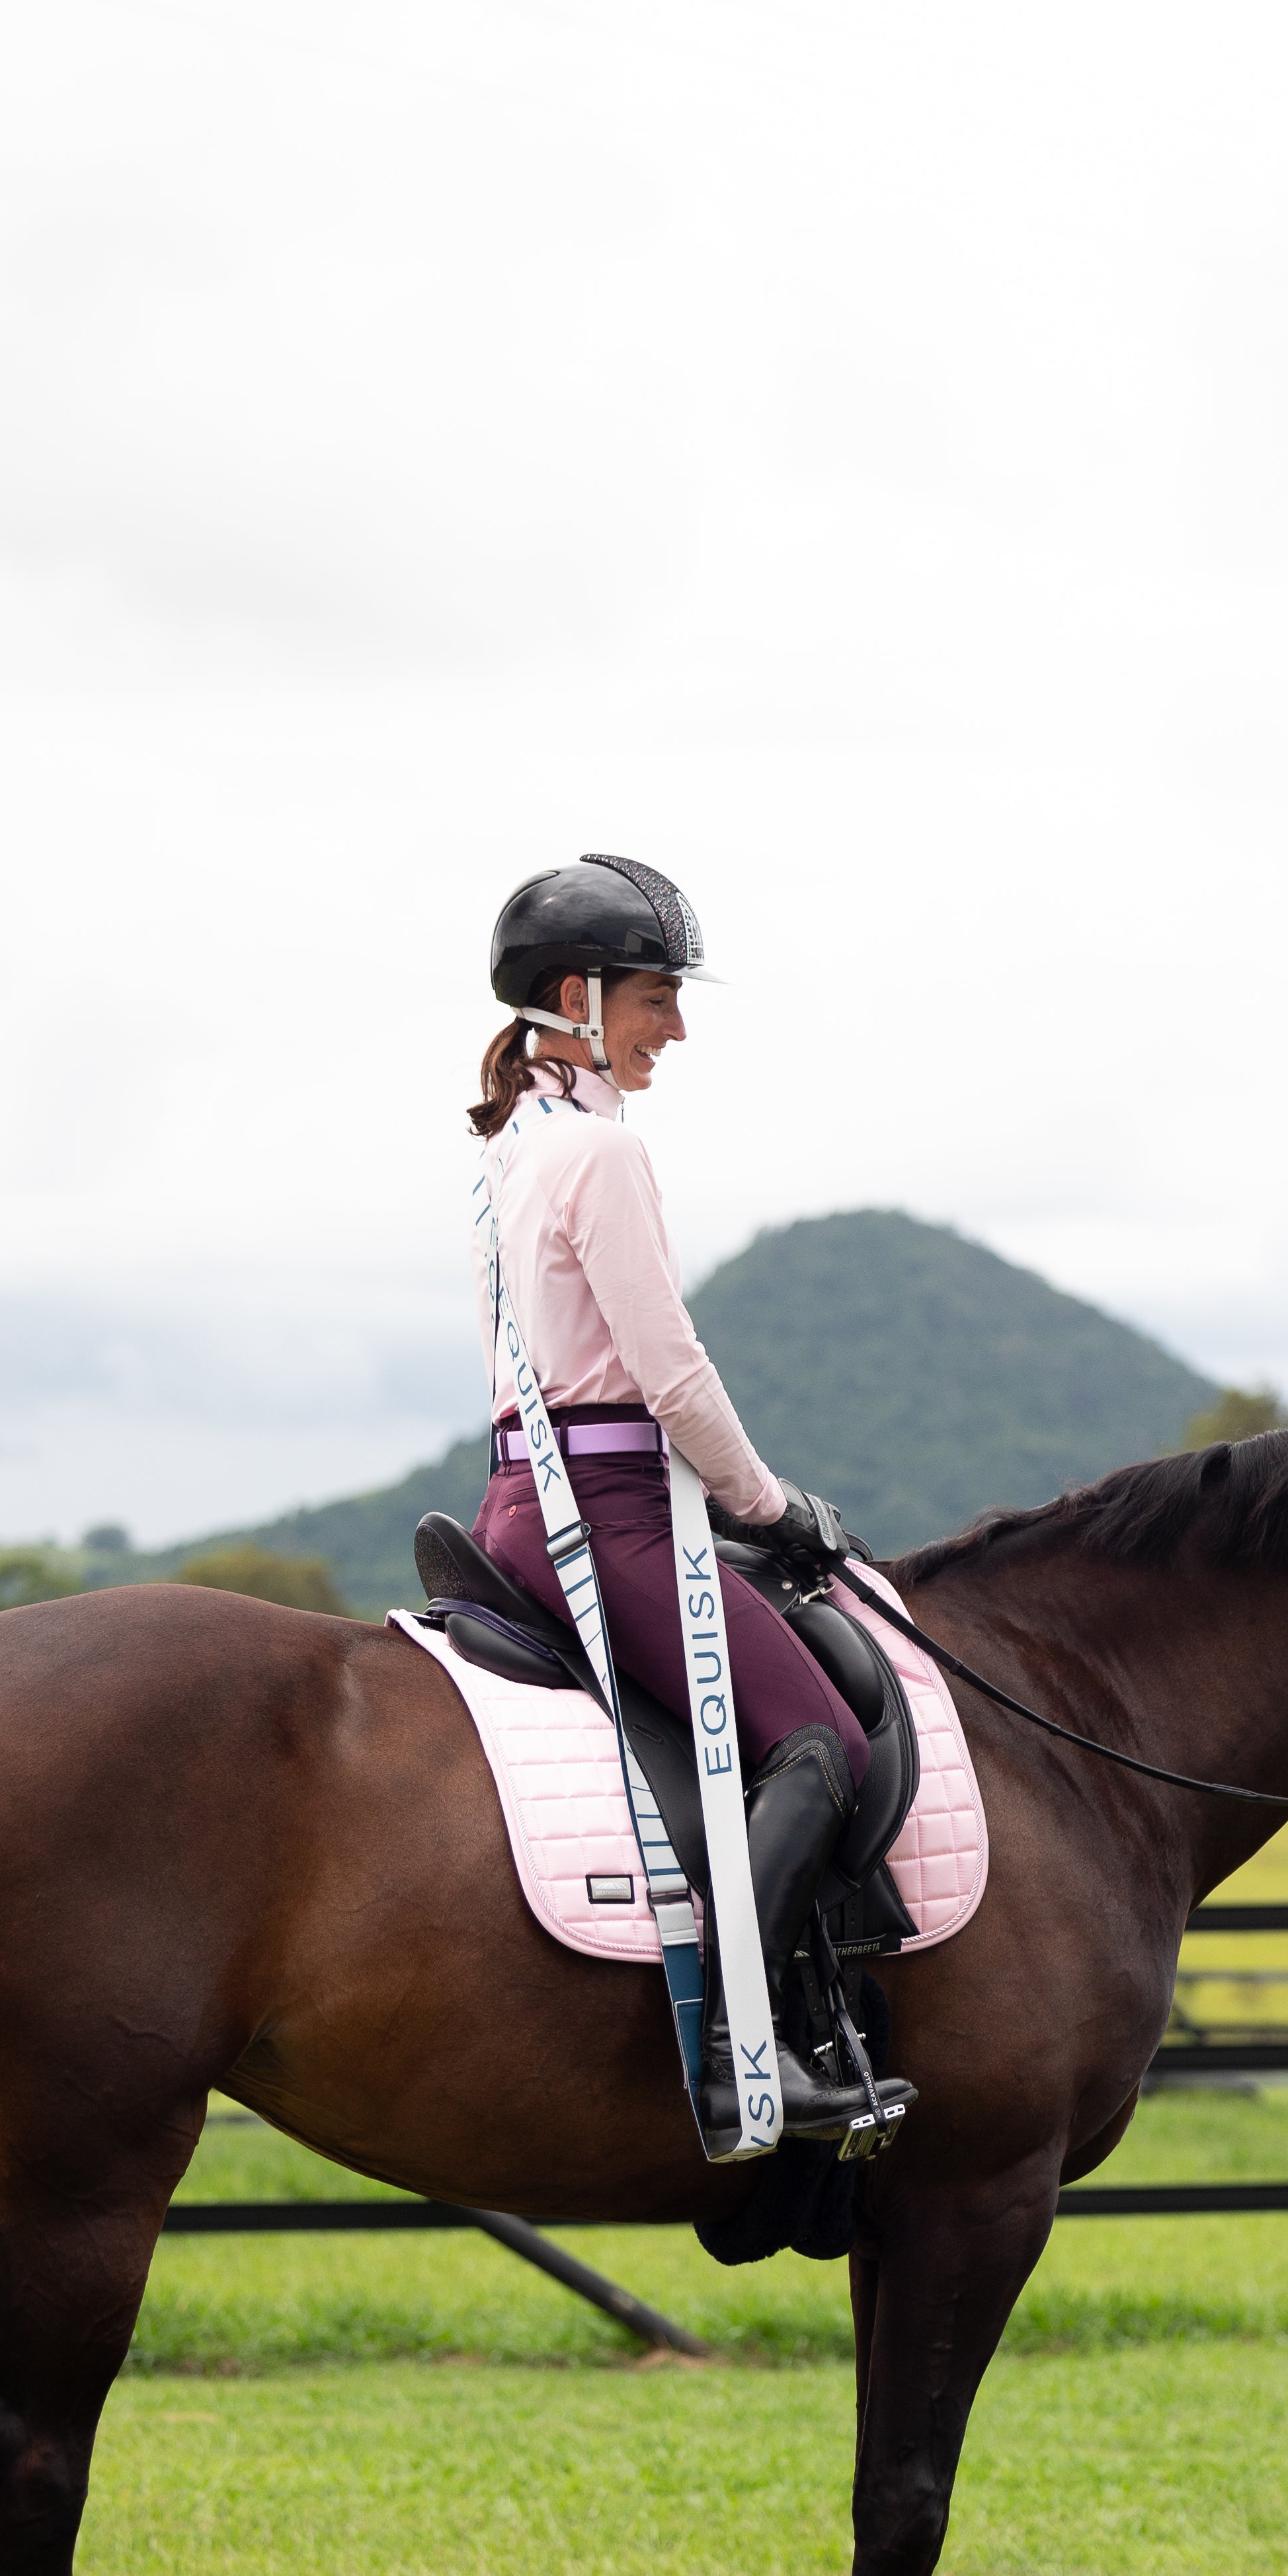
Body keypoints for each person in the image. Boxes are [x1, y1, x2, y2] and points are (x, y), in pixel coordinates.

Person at [465, 854, 878, 2141]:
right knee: (826, 1745)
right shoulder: (599, 1154)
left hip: (524, 1499)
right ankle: (730, 2057)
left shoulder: (513, 1148)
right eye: (657, 999)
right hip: (617, 1513)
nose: (676, 1028)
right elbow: (673, 1376)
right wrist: (771, 1503)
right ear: (580, 999)